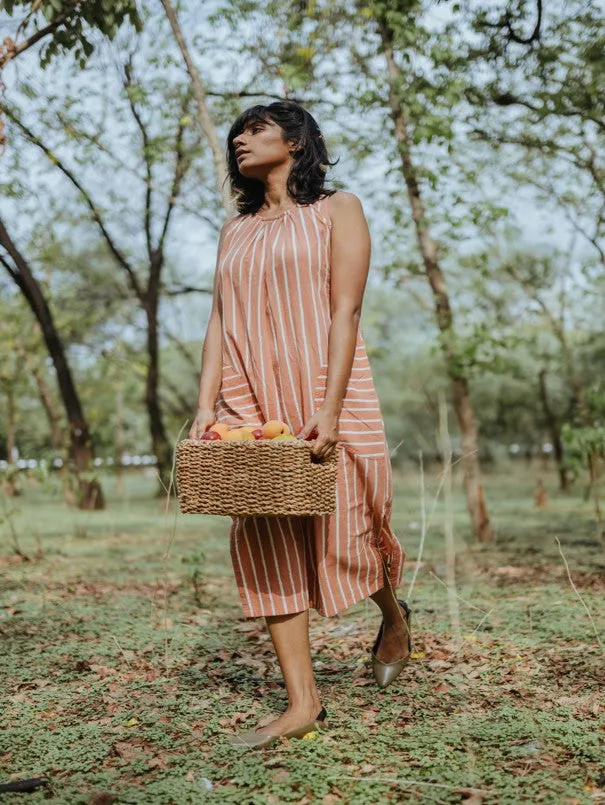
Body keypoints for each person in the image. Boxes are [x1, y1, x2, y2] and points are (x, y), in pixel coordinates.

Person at [189, 100, 411, 749]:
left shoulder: (338, 209)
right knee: (264, 532)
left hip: (324, 387)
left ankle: (393, 619)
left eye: (255, 129)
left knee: (350, 529)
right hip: (249, 396)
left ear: (295, 139)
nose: (240, 139)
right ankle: (302, 703)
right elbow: (219, 322)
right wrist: (206, 406)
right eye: (237, 133)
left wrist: (331, 406)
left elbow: (345, 311)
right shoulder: (236, 230)